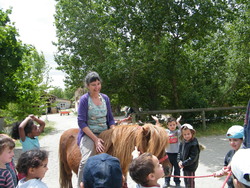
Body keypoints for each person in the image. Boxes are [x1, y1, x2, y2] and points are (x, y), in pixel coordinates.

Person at [77, 71, 116, 187]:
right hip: (90, 134)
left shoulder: (105, 98)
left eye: (98, 83)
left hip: (106, 132)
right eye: (93, 84)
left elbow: (110, 119)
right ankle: (80, 184)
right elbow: (81, 122)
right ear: (88, 86)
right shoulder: (84, 100)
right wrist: (95, 139)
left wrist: (114, 131)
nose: (96, 87)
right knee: (86, 160)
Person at [151, 115, 182, 187]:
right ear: (167, 126)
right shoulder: (165, 132)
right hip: (168, 154)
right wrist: (157, 121)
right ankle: (167, 181)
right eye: (170, 125)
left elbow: (182, 129)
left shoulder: (177, 132)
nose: (172, 126)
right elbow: (157, 129)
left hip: (177, 154)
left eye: (174, 124)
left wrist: (178, 122)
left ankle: (177, 182)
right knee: (167, 168)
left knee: (177, 169)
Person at [177, 124, 200, 188]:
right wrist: (179, 161)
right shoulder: (182, 142)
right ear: (182, 134)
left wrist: (183, 163)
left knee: (190, 182)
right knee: (186, 181)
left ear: (192, 133)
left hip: (190, 166)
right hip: (184, 166)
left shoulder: (194, 144)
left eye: (188, 134)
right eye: (185, 134)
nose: (187, 136)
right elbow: (179, 152)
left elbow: (193, 158)